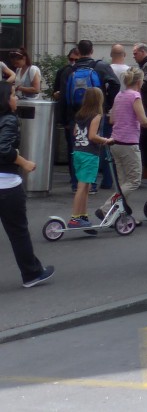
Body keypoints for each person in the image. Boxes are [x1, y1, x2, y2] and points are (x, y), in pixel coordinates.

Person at [0, 82, 54, 287]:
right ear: (5, 99)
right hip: (7, 186)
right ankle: (31, 273)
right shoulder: (10, 120)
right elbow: (3, 150)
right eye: (13, 95)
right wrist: (24, 162)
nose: (16, 98)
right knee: (18, 232)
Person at [107, 65, 147, 222]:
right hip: (129, 143)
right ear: (140, 81)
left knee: (124, 182)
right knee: (134, 181)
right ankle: (106, 207)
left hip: (115, 141)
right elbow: (143, 121)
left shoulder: (119, 96)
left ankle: (123, 216)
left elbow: (112, 120)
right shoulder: (135, 96)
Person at [68, 40, 120, 192]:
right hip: (97, 110)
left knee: (78, 144)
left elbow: (66, 93)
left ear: (79, 51)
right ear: (92, 50)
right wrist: (108, 103)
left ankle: (76, 183)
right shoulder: (101, 66)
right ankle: (95, 183)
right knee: (97, 143)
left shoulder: (72, 68)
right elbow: (115, 84)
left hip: (77, 112)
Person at [69, 86, 111, 232]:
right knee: (83, 187)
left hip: (78, 151)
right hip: (89, 153)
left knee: (85, 186)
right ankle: (75, 217)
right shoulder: (97, 115)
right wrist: (105, 139)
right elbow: (92, 136)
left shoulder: (80, 114)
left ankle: (82, 215)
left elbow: (75, 132)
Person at [52, 46, 81, 191]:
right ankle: (75, 179)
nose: (73, 62)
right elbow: (57, 92)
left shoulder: (71, 72)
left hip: (79, 117)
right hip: (73, 117)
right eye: (71, 59)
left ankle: (78, 181)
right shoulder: (64, 71)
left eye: (76, 59)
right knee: (73, 149)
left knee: (77, 149)